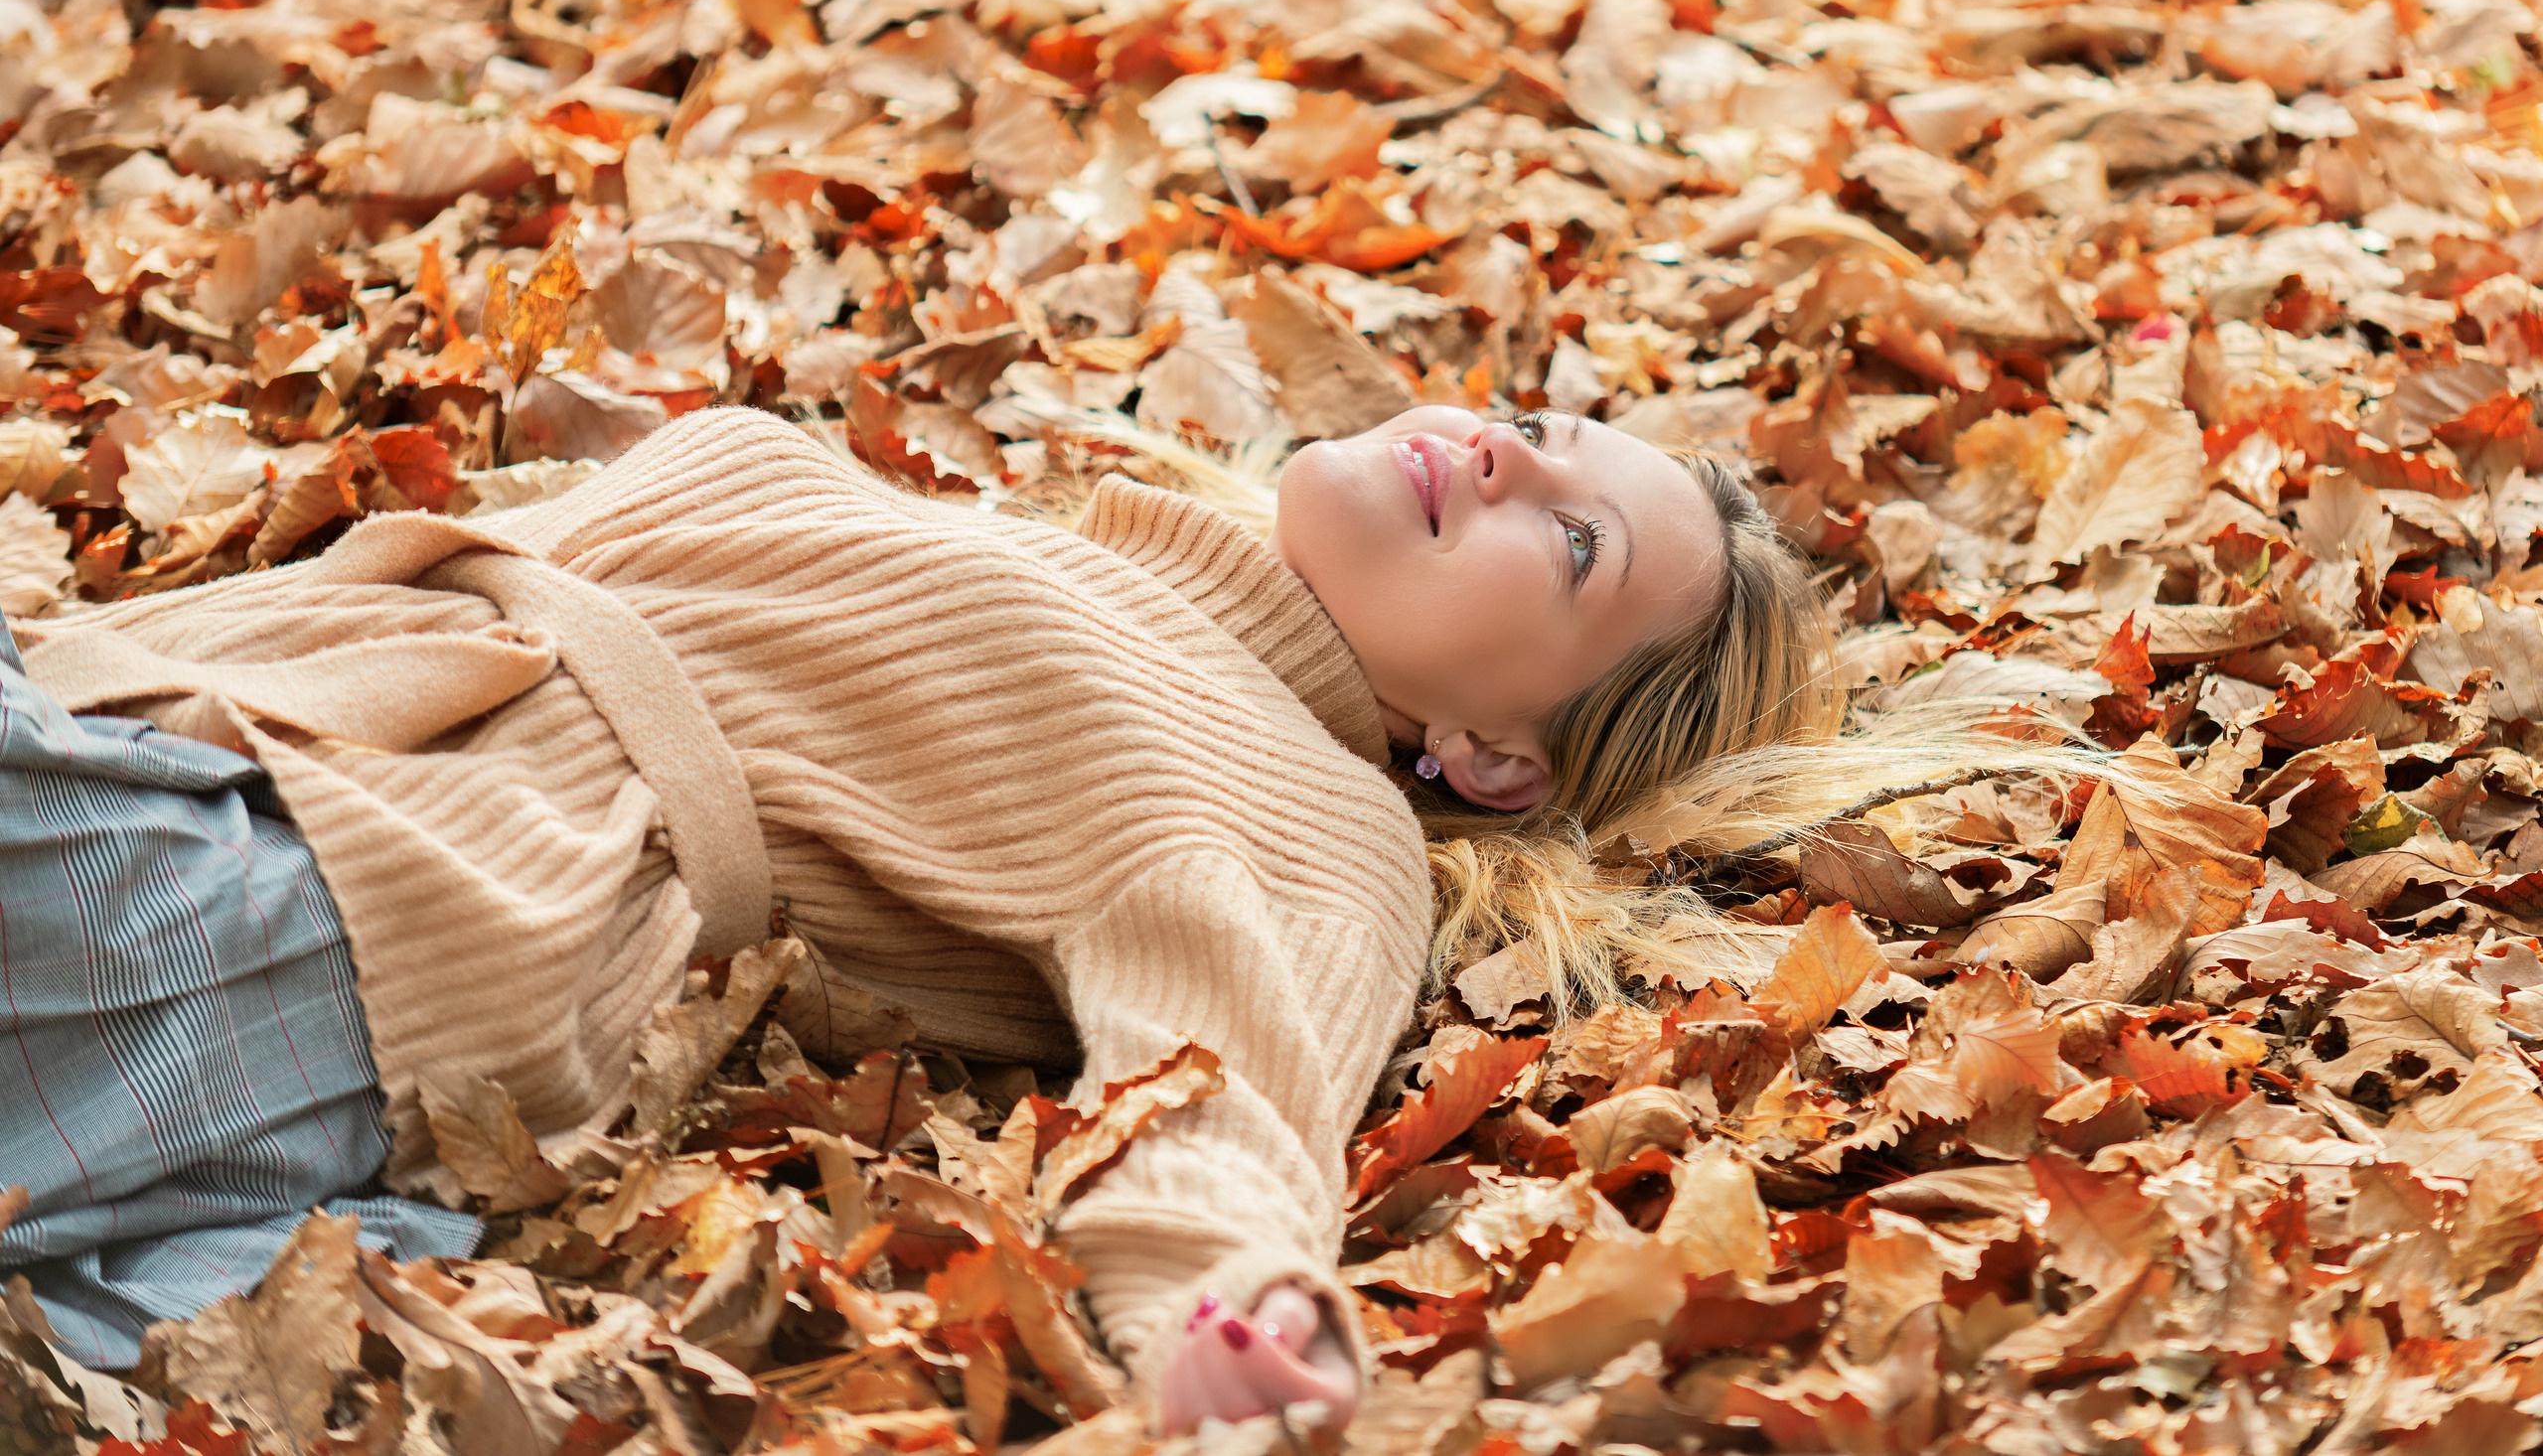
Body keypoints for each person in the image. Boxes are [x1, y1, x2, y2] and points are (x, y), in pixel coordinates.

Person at [0, 399, 1980, 1426]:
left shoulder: (1296, 805)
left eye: (1568, 537)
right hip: (193, 748)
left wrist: (1232, 1311)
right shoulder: (1056, 550)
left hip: (328, 902)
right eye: (1537, 419)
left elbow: (1218, 1078)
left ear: (1489, 759)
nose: (1496, 444)